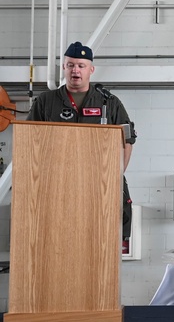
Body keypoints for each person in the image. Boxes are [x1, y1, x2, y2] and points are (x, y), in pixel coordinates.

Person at [28, 41, 138, 239]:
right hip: (58, 184)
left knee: (100, 235)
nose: (75, 70)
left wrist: (115, 175)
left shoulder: (109, 102)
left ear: (91, 69)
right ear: (64, 67)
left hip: (98, 185)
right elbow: (30, 140)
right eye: (70, 65)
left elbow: (127, 140)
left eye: (81, 65)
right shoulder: (46, 101)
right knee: (58, 235)